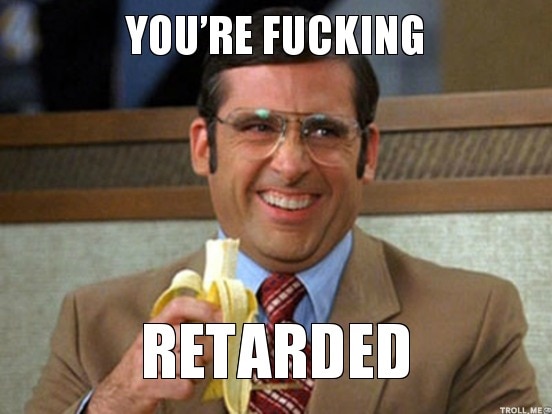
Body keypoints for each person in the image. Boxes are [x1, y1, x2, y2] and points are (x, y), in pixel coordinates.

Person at [26, 6, 540, 414]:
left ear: (368, 153)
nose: (291, 164)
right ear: (204, 148)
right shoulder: (95, 322)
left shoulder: (476, 317)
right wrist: (114, 402)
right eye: (257, 127)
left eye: (324, 130)